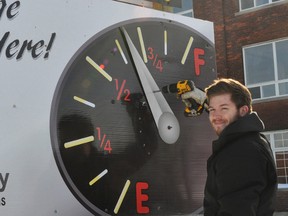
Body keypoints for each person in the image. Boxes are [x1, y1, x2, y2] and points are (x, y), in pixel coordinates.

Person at [182, 78, 277, 216]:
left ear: (243, 110)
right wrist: (205, 100)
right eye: (212, 109)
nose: (215, 116)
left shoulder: (241, 152)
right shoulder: (250, 140)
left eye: (224, 108)